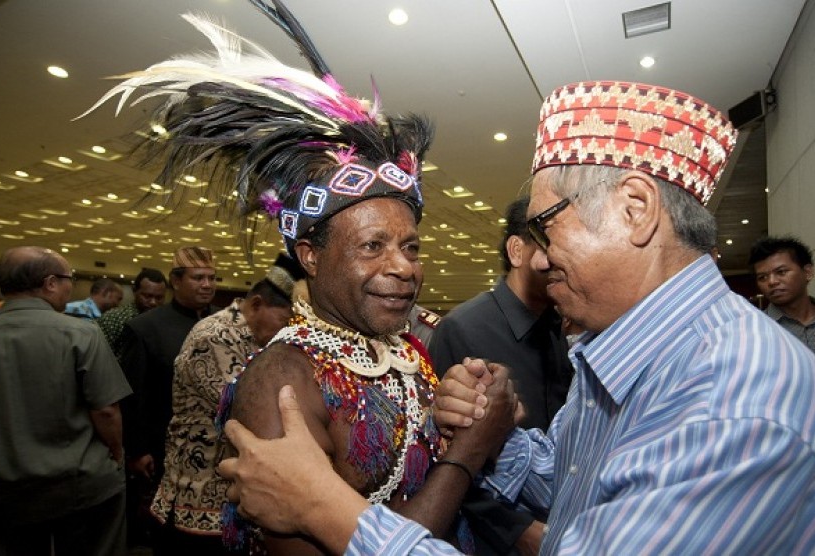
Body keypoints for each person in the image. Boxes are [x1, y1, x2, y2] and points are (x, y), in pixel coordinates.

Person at [218, 81, 815, 555]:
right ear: (310, 257)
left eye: (544, 226)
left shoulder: (732, 403)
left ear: (635, 211)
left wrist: (325, 507)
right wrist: (493, 429)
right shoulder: (636, 351)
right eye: (373, 247)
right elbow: (575, 476)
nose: (536, 256)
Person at [81, 5, 518, 554]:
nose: (404, 267)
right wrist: (468, 452)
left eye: (410, 246)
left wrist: (457, 413)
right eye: (372, 246)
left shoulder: (407, 349)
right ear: (310, 256)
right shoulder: (281, 381)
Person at [429, 196, 573, 555]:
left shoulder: (564, 327)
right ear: (516, 250)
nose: (563, 259)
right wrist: (519, 530)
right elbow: (442, 455)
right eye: (549, 244)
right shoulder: (463, 329)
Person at [150, 254, 303, 556]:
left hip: (238, 501)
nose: (289, 330)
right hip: (198, 500)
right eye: (286, 321)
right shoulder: (215, 336)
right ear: (257, 304)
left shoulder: (260, 338)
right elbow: (246, 412)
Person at [0, 246, 131, 556]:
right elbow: (105, 410)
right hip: (78, 483)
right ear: (51, 283)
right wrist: (117, 454)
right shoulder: (81, 333)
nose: (70, 286)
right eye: (69, 279)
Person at [119, 246, 217, 546]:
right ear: (176, 281)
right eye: (198, 278)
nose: (207, 285)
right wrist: (137, 450)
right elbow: (132, 394)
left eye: (212, 278)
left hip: (214, 450)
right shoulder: (145, 328)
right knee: (170, 533)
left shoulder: (222, 325)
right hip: (163, 448)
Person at [748, 235, 815, 352]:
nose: (772, 282)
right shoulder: (755, 330)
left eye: (781, 272)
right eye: (762, 277)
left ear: (807, 272)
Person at [97, 267, 168, 359]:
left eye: (159, 298)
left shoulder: (166, 322)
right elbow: (100, 357)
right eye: (147, 296)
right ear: (134, 291)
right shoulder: (113, 318)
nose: (153, 302)